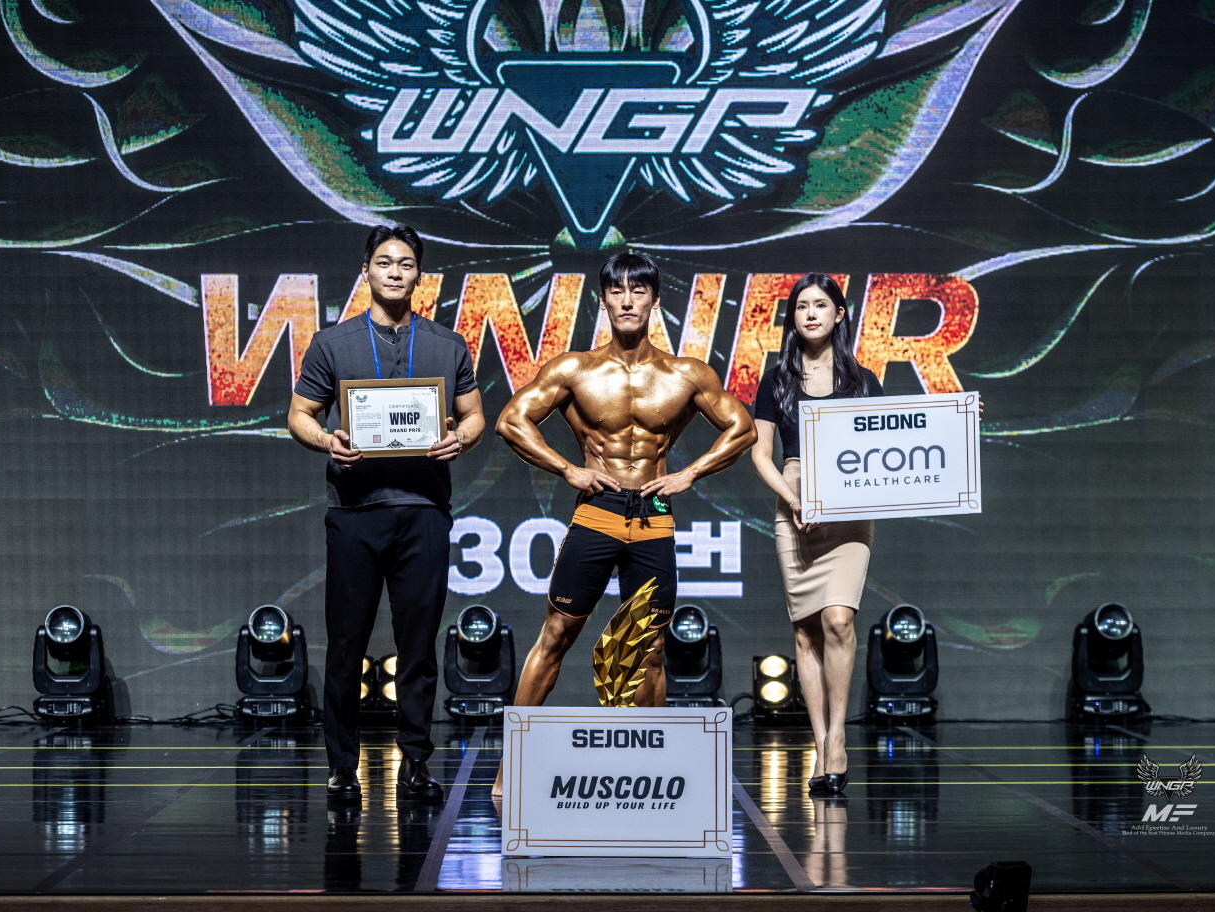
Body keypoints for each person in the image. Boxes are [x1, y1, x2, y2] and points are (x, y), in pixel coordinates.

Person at [491, 251, 756, 798]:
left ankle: (647, 770)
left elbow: (743, 428)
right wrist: (568, 469)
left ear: (655, 301)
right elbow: (511, 421)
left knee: (650, 649)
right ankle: (509, 766)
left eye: (639, 291)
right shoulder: (575, 370)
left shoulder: (685, 374)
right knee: (556, 635)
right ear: (603, 299)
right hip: (597, 514)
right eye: (617, 291)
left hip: (652, 519)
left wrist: (690, 473)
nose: (628, 300)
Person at [288, 224, 486, 801]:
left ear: (419, 274)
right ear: (366, 271)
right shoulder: (332, 343)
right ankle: (341, 769)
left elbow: (474, 415)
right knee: (346, 645)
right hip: (355, 511)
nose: (394, 271)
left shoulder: (448, 344)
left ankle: (415, 764)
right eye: (383, 262)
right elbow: (299, 414)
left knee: (418, 647)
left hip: (424, 510)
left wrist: (461, 439)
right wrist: (327, 441)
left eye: (405, 263)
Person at [750, 273, 883, 796]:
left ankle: (839, 738)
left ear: (839, 314)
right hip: (795, 497)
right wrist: (793, 498)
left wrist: (959, 421)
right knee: (805, 631)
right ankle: (820, 739)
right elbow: (761, 454)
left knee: (838, 620)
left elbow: (898, 437)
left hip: (848, 505)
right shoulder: (776, 380)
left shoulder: (863, 381)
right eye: (802, 305)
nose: (810, 313)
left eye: (821, 305)